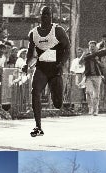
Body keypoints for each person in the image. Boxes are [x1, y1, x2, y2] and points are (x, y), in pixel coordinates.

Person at [22, 5, 70, 137]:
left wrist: (62, 63)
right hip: (42, 68)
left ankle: (57, 96)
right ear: (40, 16)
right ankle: (38, 125)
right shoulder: (33, 33)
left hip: (55, 69)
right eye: (43, 14)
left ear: (52, 17)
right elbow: (30, 52)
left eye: (48, 14)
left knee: (58, 104)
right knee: (35, 91)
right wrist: (26, 64)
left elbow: (68, 49)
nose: (45, 17)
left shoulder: (59, 30)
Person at [80, 40, 106, 116]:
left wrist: (97, 61)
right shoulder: (86, 55)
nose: (92, 48)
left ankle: (95, 110)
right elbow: (80, 62)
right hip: (88, 76)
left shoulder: (99, 55)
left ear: (96, 47)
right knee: (88, 92)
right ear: (88, 47)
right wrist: (83, 54)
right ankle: (90, 108)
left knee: (96, 95)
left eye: (93, 46)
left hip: (97, 76)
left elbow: (103, 66)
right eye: (90, 46)